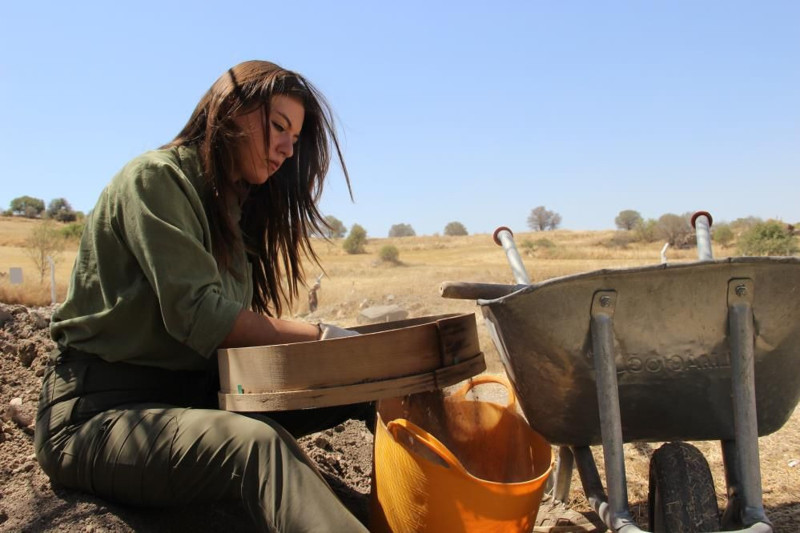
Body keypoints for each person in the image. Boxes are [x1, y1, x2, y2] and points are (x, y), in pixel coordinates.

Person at [35, 60, 370, 532]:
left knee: (371, 385)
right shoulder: (155, 180)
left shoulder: (234, 210)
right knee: (257, 445)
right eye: (277, 127)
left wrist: (357, 363)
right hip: (99, 414)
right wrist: (322, 336)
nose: (285, 150)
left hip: (198, 399)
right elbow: (202, 316)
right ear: (231, 110)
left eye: (293, 140)